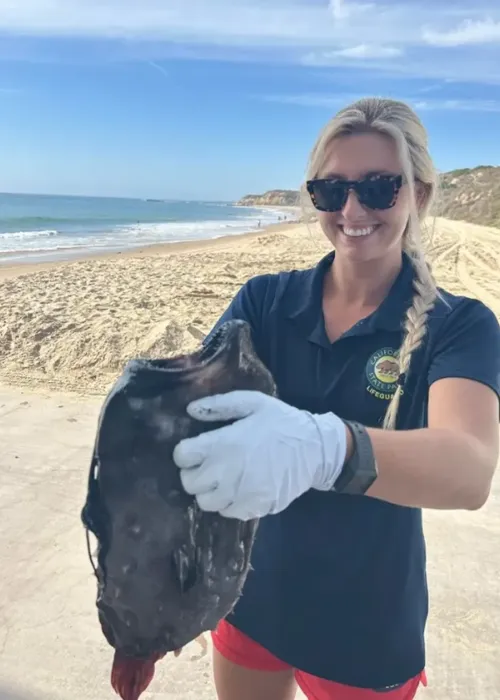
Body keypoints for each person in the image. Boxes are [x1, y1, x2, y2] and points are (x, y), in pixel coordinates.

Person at [173, 97, 500, 700]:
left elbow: (469, 469)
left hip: (366, 624)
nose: (352, 210)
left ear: (419, 196)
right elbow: (189, 417)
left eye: (379, 188)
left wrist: (329, 447)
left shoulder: (459, 326)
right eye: (331, 190)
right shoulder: (264, 302)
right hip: (251, 596)